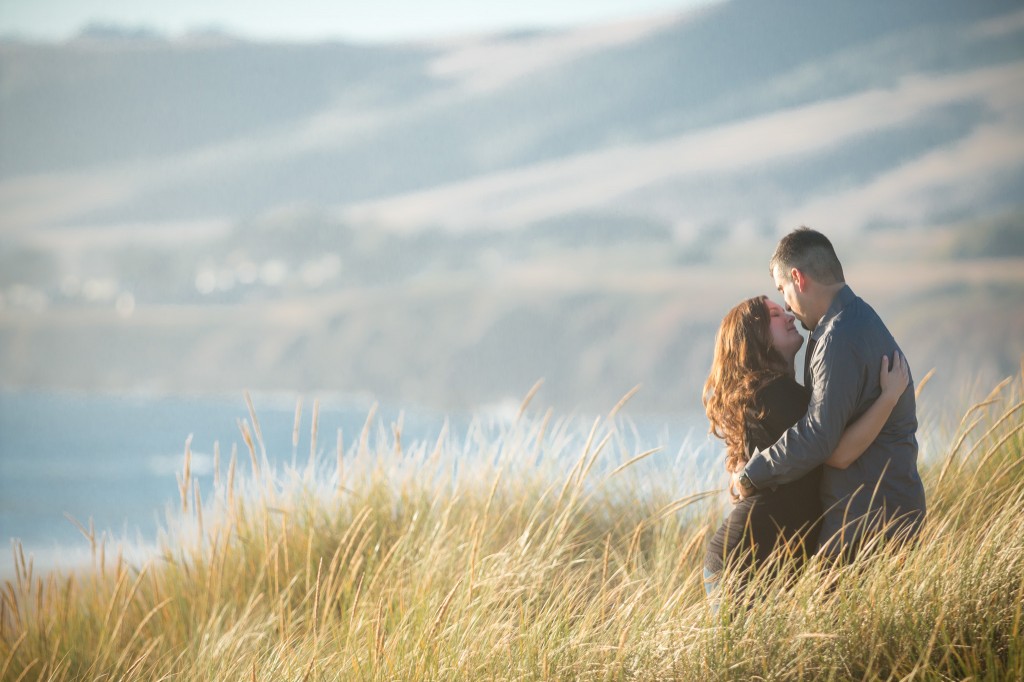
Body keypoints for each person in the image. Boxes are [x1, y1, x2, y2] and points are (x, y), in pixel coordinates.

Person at [735, 228, 926, 559]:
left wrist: (753, 474)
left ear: (798, 278)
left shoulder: (838, 338)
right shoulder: (852, 322)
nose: (787, 306)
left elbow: (821, 437)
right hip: (878, 516)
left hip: (869, 524)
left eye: (783, 290)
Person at [702, 295, 909, 598]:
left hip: (759, 560)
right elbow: (840, 453)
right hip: (746, 561)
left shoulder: (767, 397)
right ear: (755, 337)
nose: (787, 314)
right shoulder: (775, 395)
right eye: (774, 315)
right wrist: (889, 398)